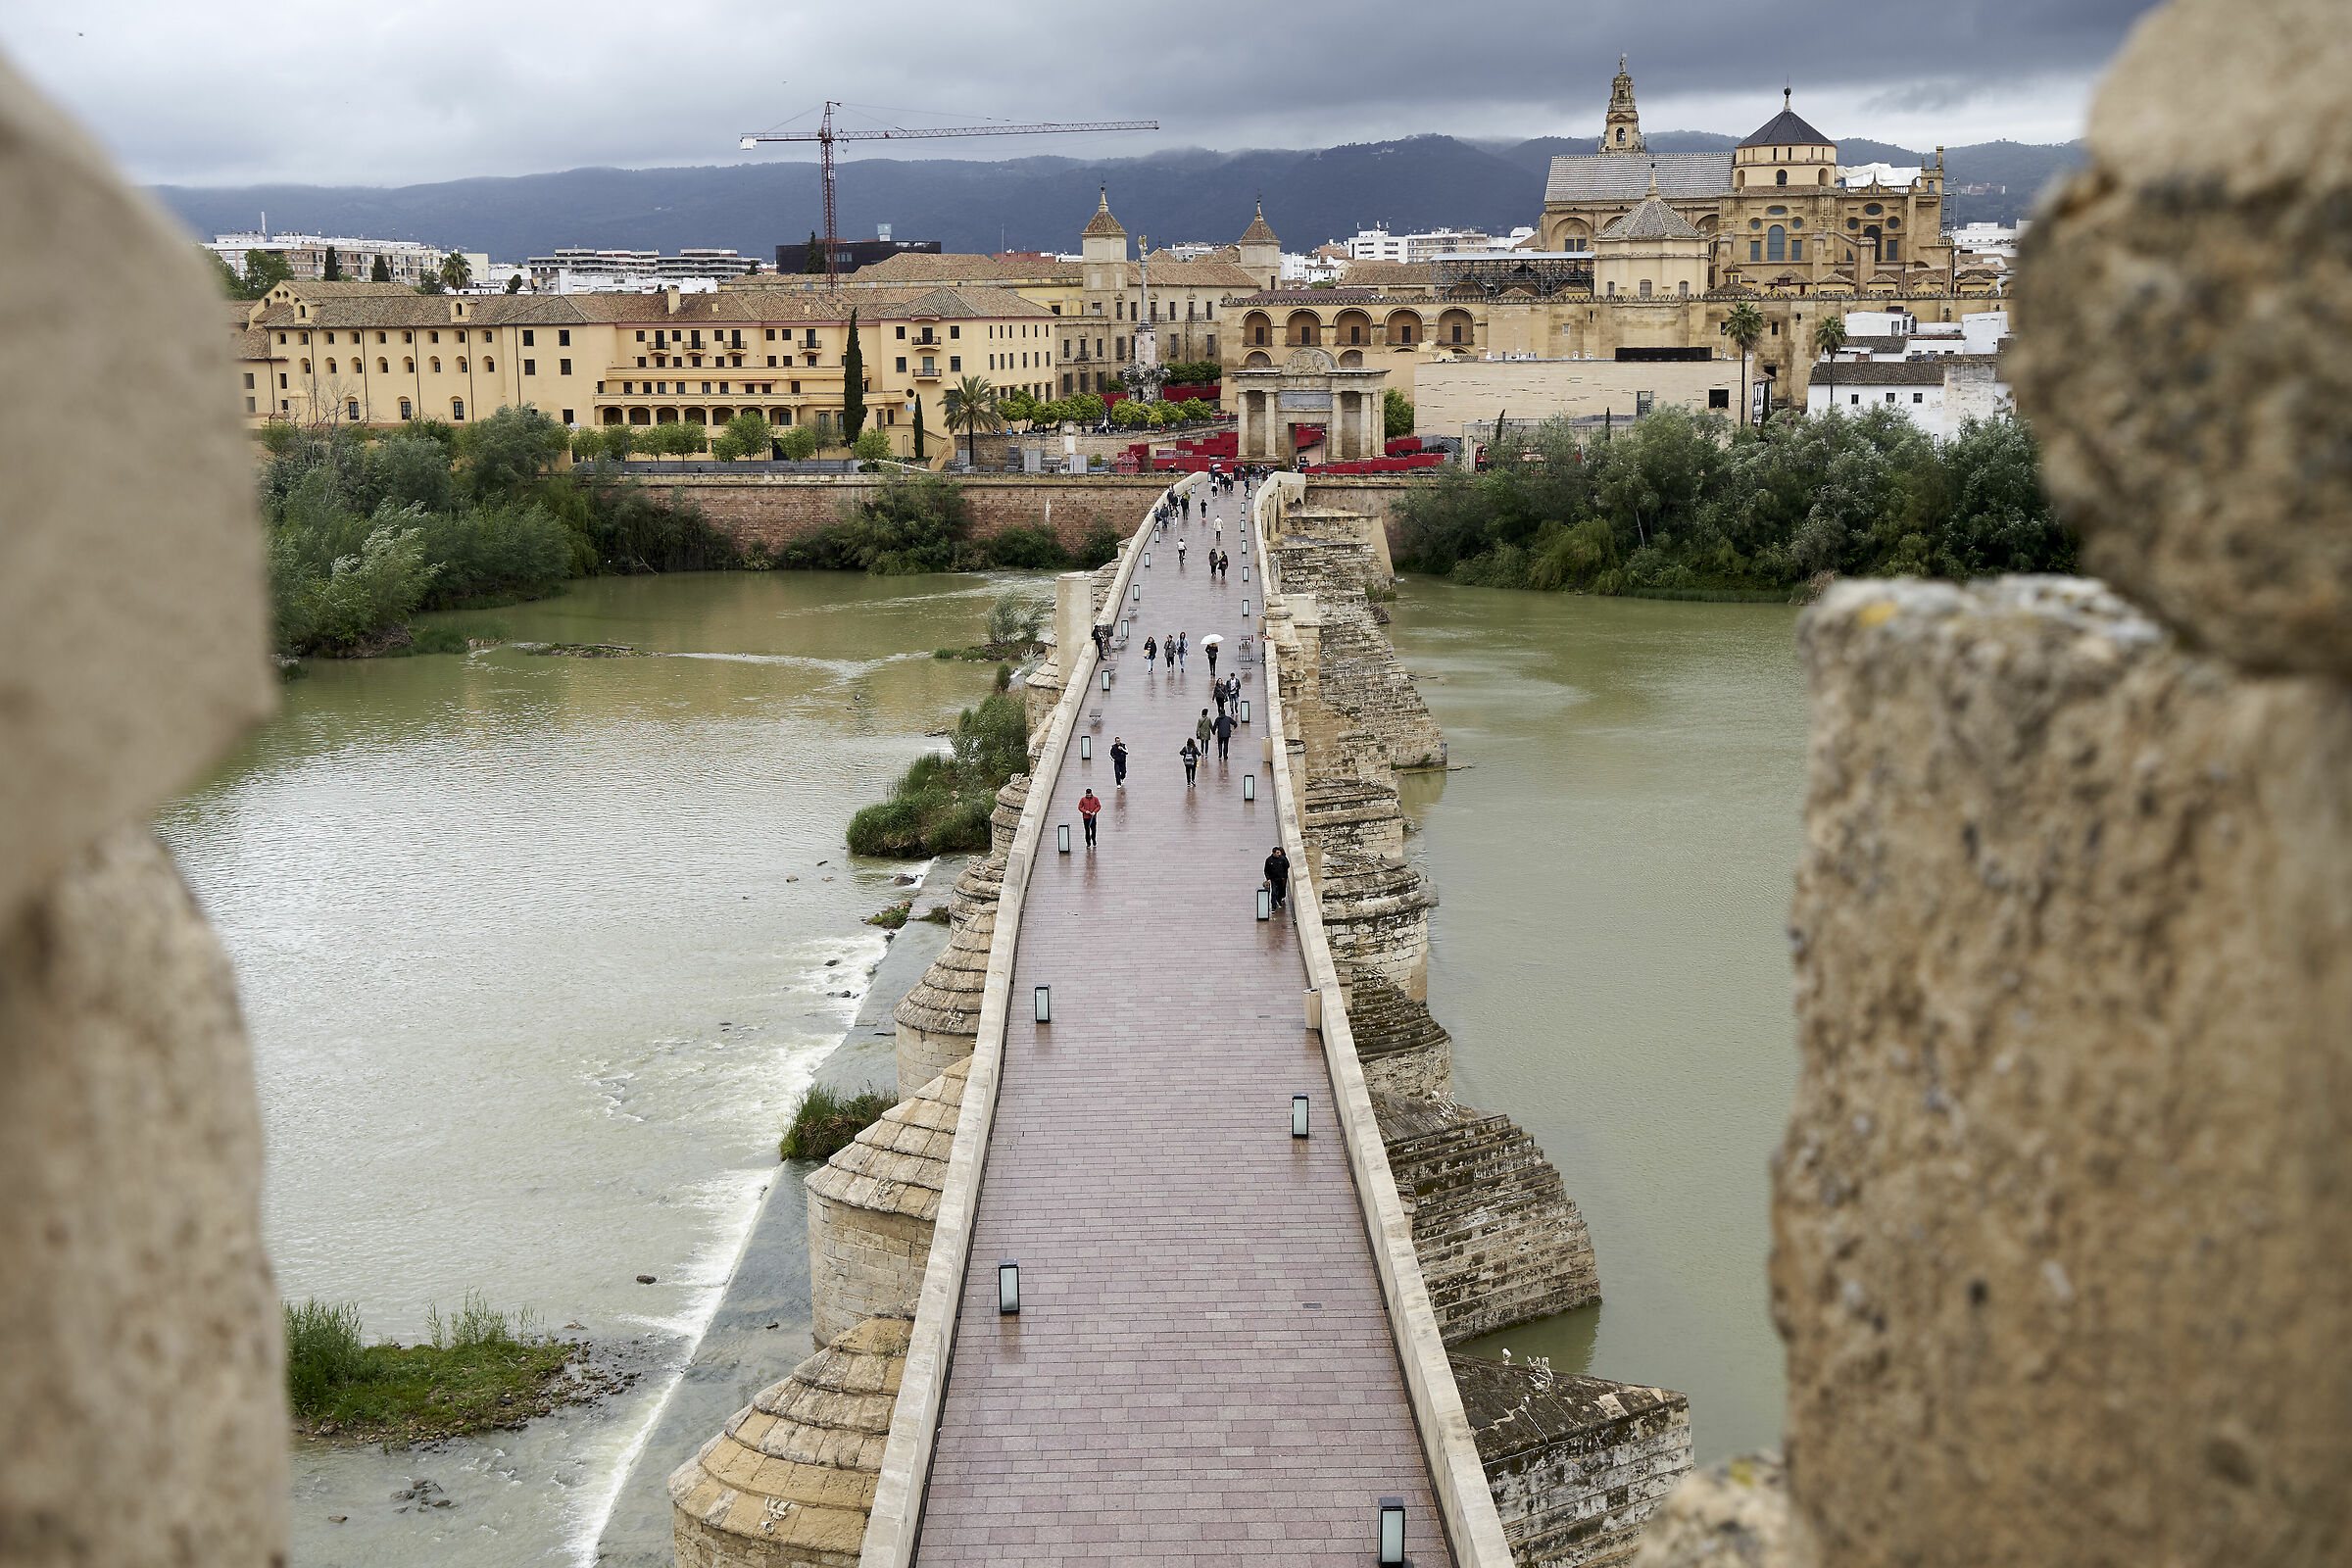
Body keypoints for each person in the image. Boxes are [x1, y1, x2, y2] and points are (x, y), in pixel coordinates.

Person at [1264, 845, 1290, 912]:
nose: (1279, 854)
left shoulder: (1282, 859)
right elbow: (1266, 870)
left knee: (1280, 891)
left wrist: (1284, 876)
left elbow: (1286, 867)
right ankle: (1273, 907)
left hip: (1280, 879)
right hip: (1273, 879)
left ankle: (1279, 900)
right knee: (1274, 892)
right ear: (1273, 853)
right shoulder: (1269, 860)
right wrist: (1268, 879)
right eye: (1277, 853)